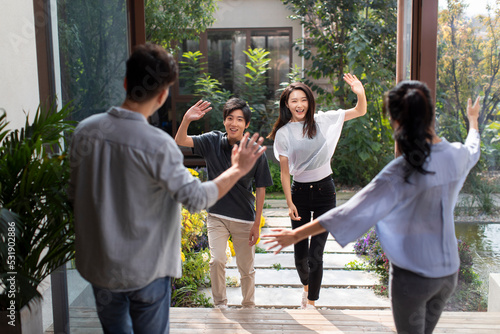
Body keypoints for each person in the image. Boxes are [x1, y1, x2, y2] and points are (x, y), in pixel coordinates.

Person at [68, 43, 266, 334]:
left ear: (125, 82)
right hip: (148, 271)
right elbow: (197, 198)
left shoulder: (84, 131)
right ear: (162, 95)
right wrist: (238, 169)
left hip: (100, 269)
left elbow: (74, 197)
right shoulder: (158, 145)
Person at [264, 81, 481, 333]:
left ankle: (311, 295)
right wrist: (473, 121)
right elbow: (473, 148)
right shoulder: (457, 155)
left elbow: (352, 211)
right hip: (447, 276)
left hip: (413, 278)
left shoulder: (401, 171)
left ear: (398, 123)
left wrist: (295, 234)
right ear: (431, 114)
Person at [266, 74, 367, 309]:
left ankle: (311, 303)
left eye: (303, 100)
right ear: (287, 105)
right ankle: (305, 285)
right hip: (299, 193)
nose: (299, 105)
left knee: (316, 254)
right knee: (301, 255)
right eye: (294, 101)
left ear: (310, 102)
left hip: (325, 193)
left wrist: (359, 92)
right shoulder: (283, 133)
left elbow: (359, 111)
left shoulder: (323, 120)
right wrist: (289, 202)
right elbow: (284, 173)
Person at [175, 97, 273, 309]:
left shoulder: (254, 151)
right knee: (217, 260)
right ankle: (220, 305)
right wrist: (186, 119)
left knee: (246, 269)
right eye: (230, 118)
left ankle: (248, 305)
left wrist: (257, 223)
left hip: (244, 218)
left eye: (239, 119)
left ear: (246, 124)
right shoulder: (211, 141)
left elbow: (261, 188)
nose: (234, 123)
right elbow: (180, 140)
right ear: (224, 121)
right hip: (217, 215)